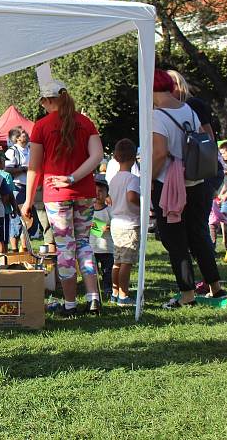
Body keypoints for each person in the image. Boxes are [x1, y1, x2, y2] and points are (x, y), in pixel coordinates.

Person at [21, 63, 104, 317]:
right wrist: (75, 177)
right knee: (84, 244)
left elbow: (34, 168)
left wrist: (26, 201)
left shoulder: (42, 126)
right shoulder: (85, 122)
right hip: (85, 191)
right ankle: (93, 299)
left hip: (56, 195)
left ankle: (70, 304)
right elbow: (97, 155)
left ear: (48, 101)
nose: (42, 107)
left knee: (65, 247)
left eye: (43, 103)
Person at [150, 69, 226, 309]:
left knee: (176, 241)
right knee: (199, 235)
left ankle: (187, 294)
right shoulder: (188, 109)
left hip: (170, 185)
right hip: (196, 180)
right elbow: (205, 137)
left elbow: (160, 152)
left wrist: (149, 177)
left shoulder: (157, 116)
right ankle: (215, 287)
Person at [108, 138, 141, 307]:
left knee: (117, 261)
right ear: (134, 157)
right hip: (129, 224)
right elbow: (132, 197)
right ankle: (124, 295)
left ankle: (115, 293)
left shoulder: (113, 179)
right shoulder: (133, 179)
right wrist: (143, 205)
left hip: (116, 223)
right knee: (127, 262)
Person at [90, 177, 114, 300]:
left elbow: (115, 224)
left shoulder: (110, 210)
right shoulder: (88, 211)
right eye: (95, 190)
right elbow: (86, 225)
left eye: (101, 191)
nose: (98, 194)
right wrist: (100, 227)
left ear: (106, 194)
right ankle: (94, 291)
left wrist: (107, 227)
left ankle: (108, 289)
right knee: (92, 272)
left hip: (107, 248)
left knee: (107, 271)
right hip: (92, 248)